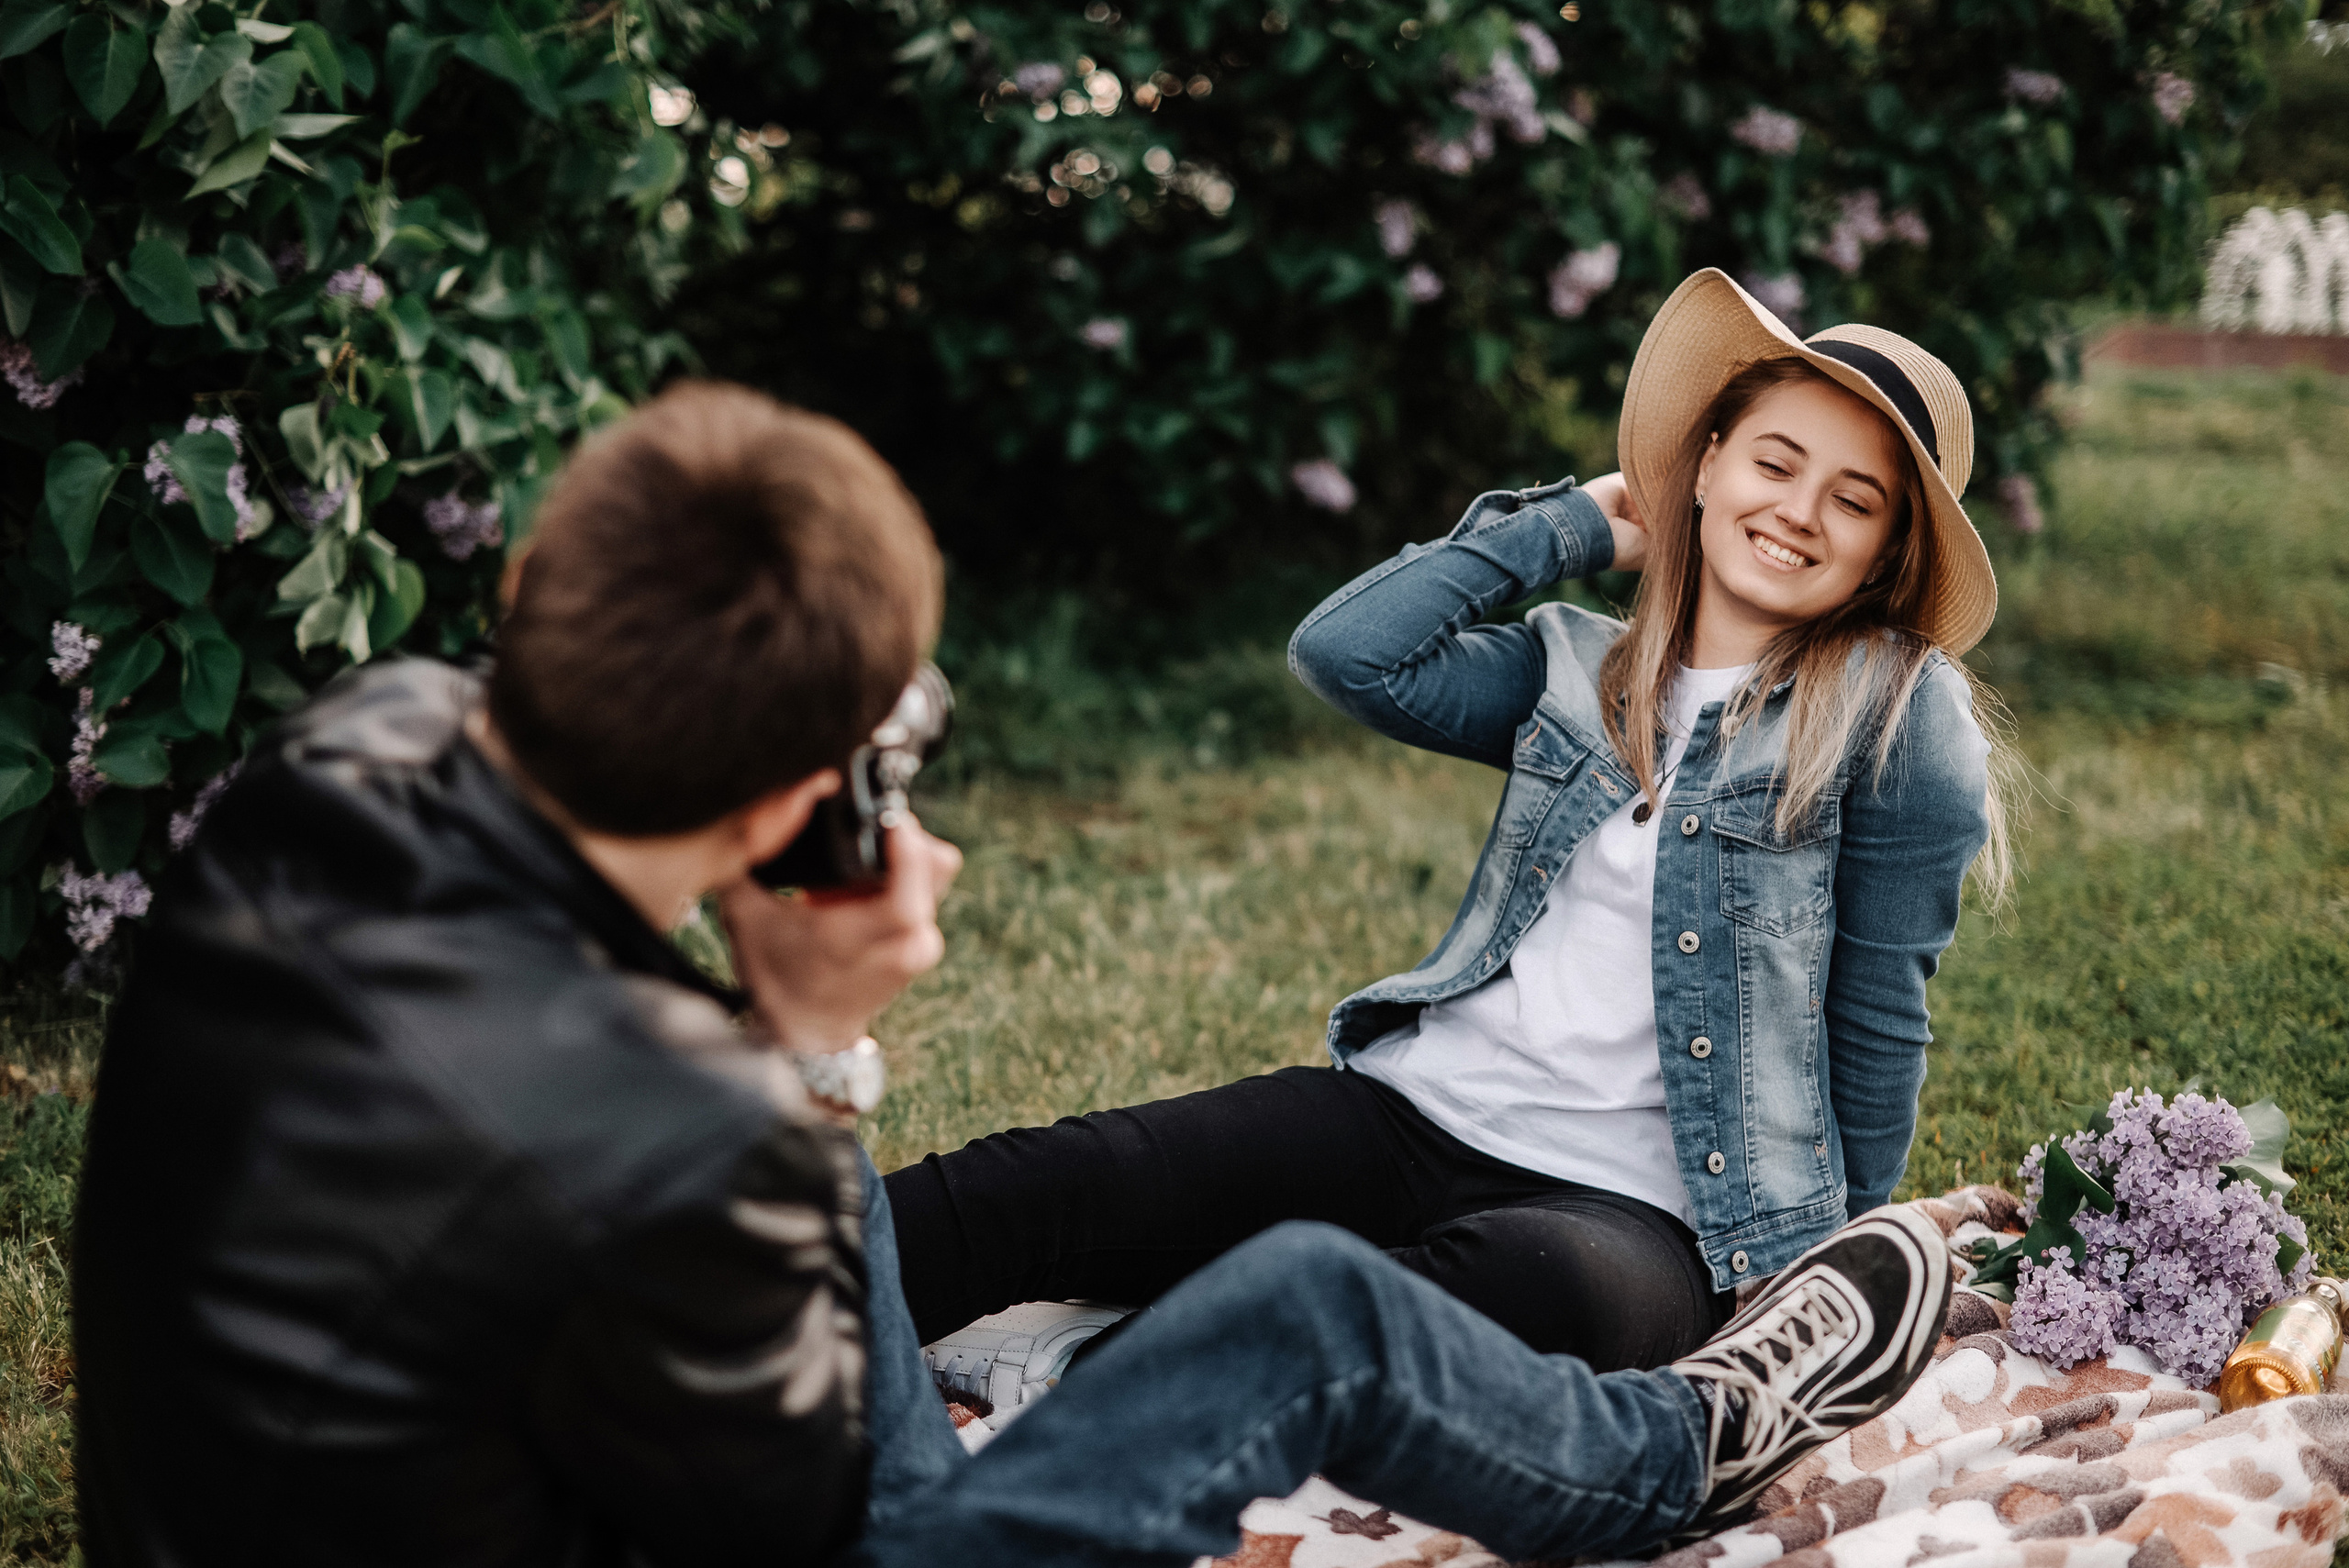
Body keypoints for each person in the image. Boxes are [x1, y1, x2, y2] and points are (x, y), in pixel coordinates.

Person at [73, 377, 1954, 1568]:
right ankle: (1673, 1445)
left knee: (1128, 1241)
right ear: (803, 797)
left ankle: (1648, 1392)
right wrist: (806, 1049)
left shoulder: (348, 759)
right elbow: (845, 1518)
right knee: (1307, 1309)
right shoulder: (688, 1139)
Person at [887, 268, 2017, 1376]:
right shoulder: (1579, 672)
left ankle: (1089, 1365)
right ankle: (746, 1316)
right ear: (1708, 462)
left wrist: (1823, 1281)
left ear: (1884, 552)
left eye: (1854, 499)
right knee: (1046, 1180)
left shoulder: (1895, 719)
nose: (1799, 512)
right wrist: (1566, 526)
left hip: (1643, 1219)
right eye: (1775, 461)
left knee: (1478, 1296)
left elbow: (1878, 1016)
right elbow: (1346, 653)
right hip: (1416, 1118)